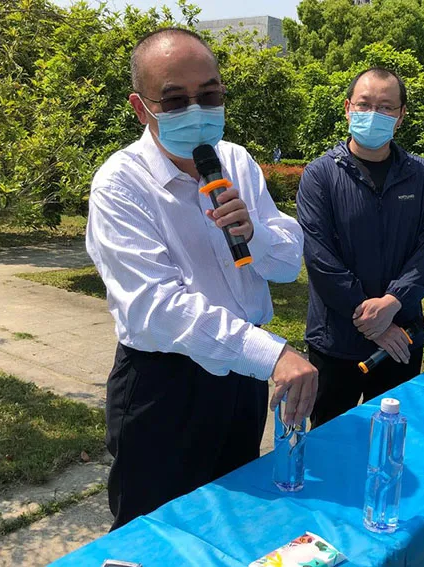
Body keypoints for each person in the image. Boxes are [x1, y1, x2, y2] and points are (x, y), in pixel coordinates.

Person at [85, 28, 318, 530]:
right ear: (140, 107)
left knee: (231, 519)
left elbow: (286, 264)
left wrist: (251, 233)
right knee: (155, 536)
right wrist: (273, 354)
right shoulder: (120, 184)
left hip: (243, 381)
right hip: (165, 386)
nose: (197, 110)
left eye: (209, 95)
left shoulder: (235, 160)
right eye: (175, 100)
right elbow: (158, 308)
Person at [296, 67, 424, 428]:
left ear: (402, 115)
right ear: (348, 108)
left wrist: (393, 303)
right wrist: (374, 323)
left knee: (391, 440)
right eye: (364, 105)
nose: (374, 115)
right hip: (336, 341)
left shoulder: (422, 177)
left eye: (386, 107)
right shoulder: (321, 175)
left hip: (401, 338)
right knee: (330, 444)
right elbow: (320, 259)